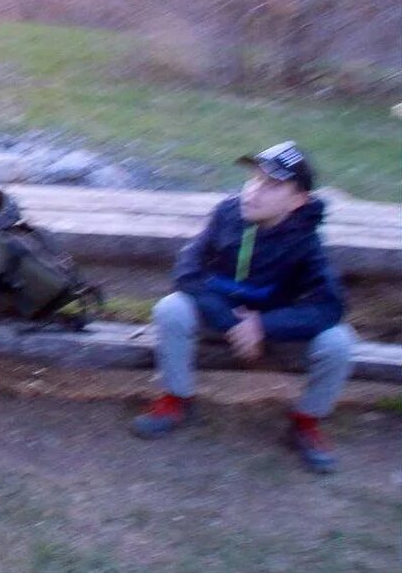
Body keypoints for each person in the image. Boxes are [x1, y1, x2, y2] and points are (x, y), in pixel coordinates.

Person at [129, 141, 356, 473]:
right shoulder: (227, 213)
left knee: (339, 343)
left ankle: (306, 422)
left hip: (275, 327)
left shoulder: (306, 240)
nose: (254, 191)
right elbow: (187, 272)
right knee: (171, 309)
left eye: (272, 184)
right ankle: (176, 399)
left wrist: (263, 325)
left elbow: (330, 306)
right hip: (219, 317)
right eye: (254, 179)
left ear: (298, 200)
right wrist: (231, 322)